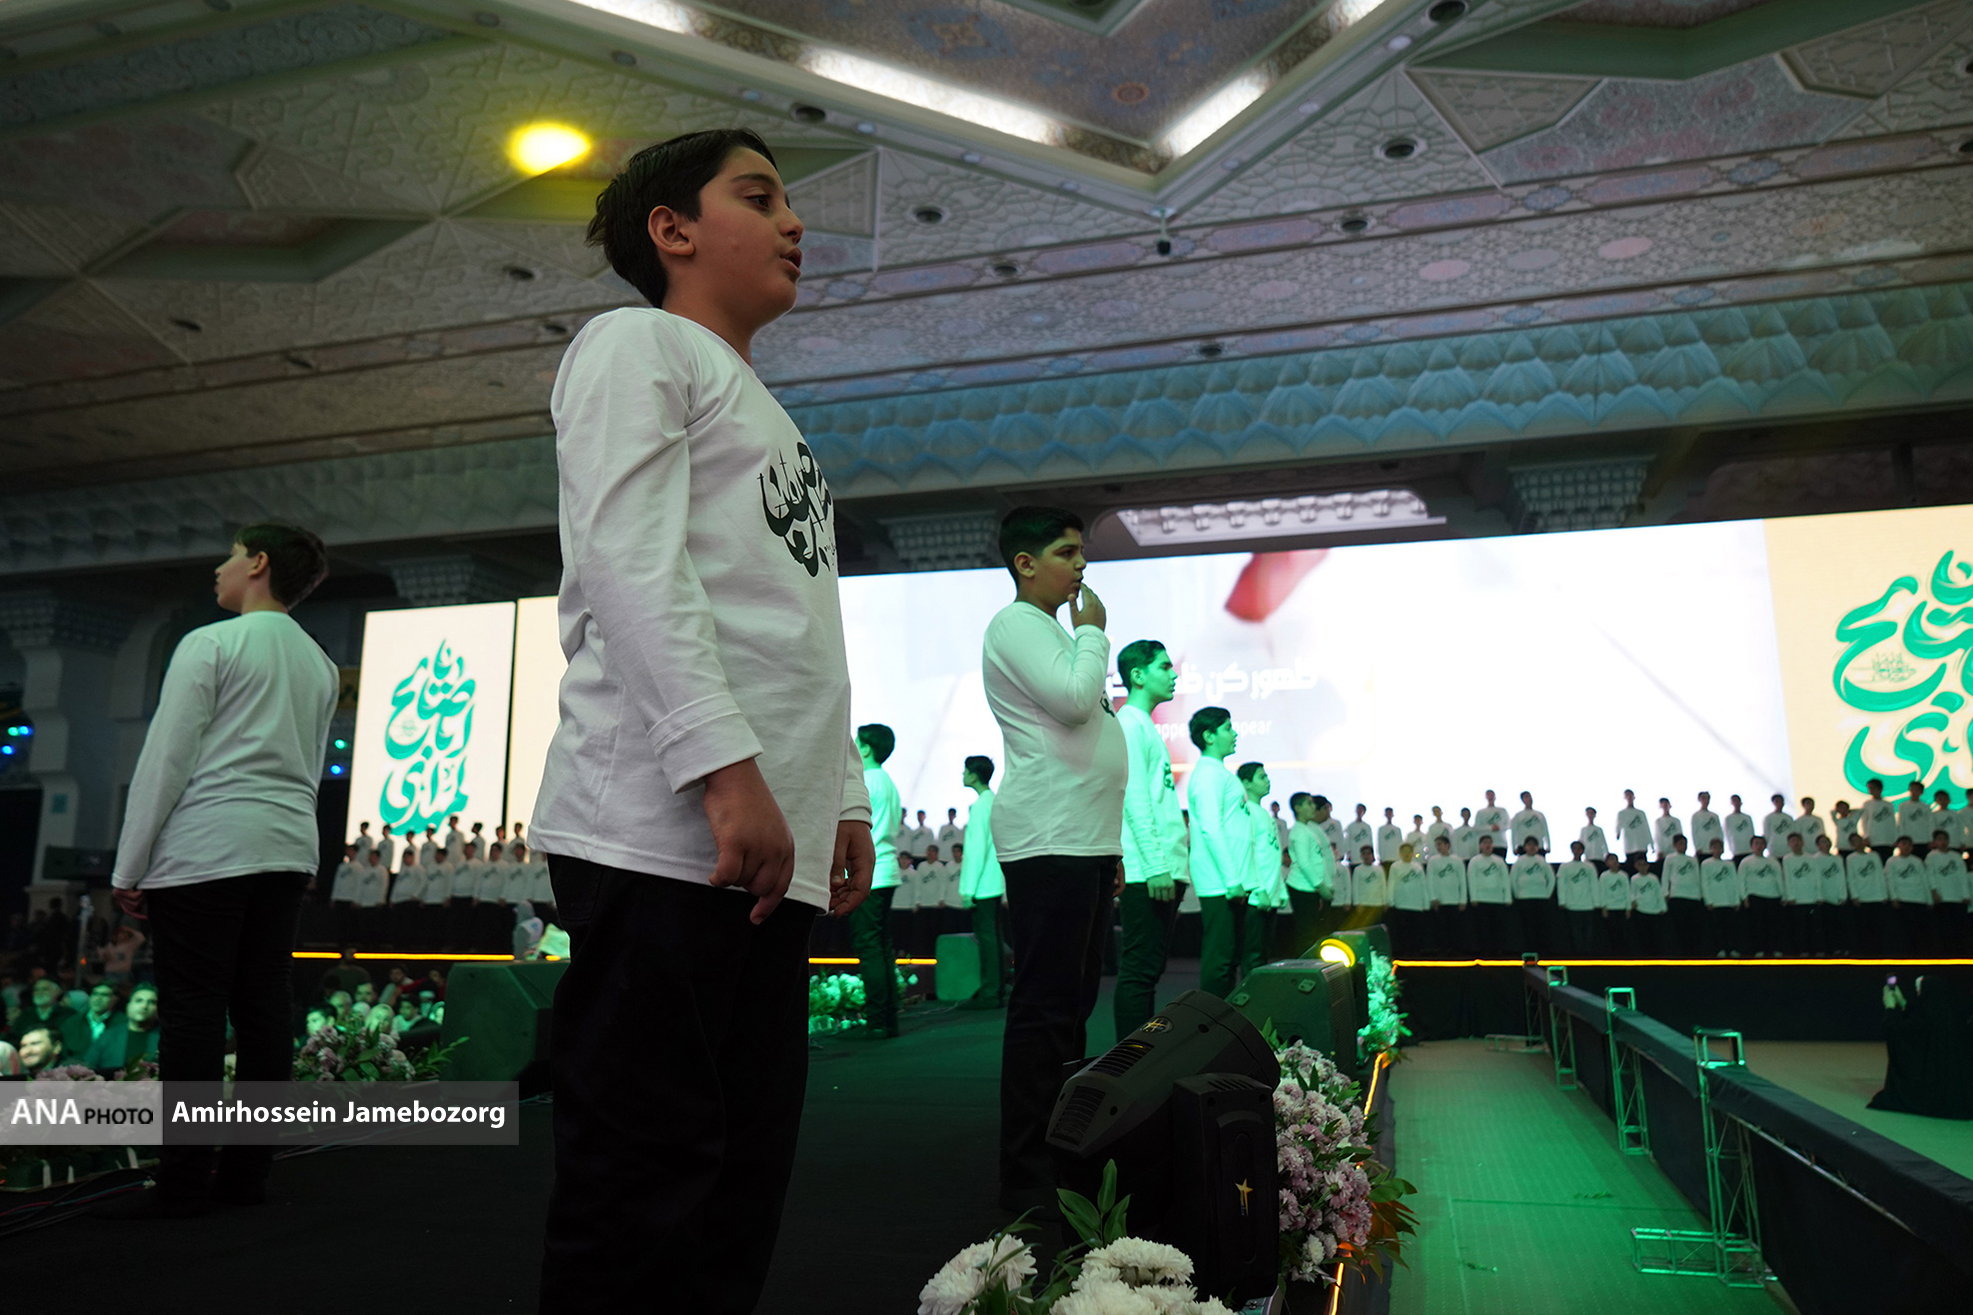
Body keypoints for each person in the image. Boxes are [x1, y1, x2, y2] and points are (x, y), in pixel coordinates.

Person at [528, 128, 875, 1315]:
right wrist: (725, 770)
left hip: (760, 847)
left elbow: (799, 629)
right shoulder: (634, 344)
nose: (793, 223)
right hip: (656, 832)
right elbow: (629, 564)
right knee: (643, 1184)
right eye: (758, 197)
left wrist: (840, 795)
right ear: (670, 229)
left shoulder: (770, 412)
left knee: (739, 1181)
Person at [105, 522, 339, 1217]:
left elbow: (166, 761)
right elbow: (310, 771)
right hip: (286, 847)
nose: (220, 568)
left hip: (207, 848)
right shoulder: (321, 663)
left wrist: (129, 866)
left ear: (258, 563)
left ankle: (181, 1184)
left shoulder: (210, 642)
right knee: (265, 1010)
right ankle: (245, 1178)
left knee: (194, 1013)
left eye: (231, 556)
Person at [982, 504, 1127, 1217]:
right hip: (1048, 838)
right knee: (1046, 1007)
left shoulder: (1049, 631)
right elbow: (1074, 705)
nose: (1080, 566)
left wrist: (1111, 846)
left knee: (1072, 1005)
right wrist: (1094, 631)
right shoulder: (1016, 625)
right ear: (1025, 563)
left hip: (1081, 839)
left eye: (1081, 554)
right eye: (1067, 553)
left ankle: (1060, 1142)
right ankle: (1026, 1166)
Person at [1114, 640, 1187, 1037]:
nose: (1173, 674)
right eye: (1164, 666)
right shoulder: (1129, 724)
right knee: (1139, 971)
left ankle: (1140, 1058)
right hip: (1147, 871)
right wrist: (1157, 865)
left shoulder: (1143, 725)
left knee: (1149, 971)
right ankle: (1130, 1061)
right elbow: (1135, 799)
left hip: (1159, 867)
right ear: (1138, 675)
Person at [1186, 707, 1251, 1001]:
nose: (1234, 734)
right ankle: (1212, 1022)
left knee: (1229, 959)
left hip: (1229, 881)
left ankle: (1226, 1020)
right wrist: (1232, 879)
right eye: (1227, 728)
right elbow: (1211, 828)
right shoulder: (1208, 774)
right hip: (1220, 883)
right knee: (1220, 961)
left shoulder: (1219, 773)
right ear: (1209, 736)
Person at [850, 724, 904, 1034]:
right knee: (882, 946)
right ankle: (888, 1019)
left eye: (857, 742)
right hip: (887, 871)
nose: (854, 746)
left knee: (869, 947)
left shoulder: (866, 780)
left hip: (871, 872)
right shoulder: (887, 781)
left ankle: (877, 1020)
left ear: (867, 749)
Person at [956, 756, 1007, 1010]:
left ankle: (990, 992)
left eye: (965, 771)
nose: (963, 774)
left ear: (974, 775)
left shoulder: (980, 806)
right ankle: (996, 988)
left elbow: (976, 850)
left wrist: (968, 889)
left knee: (987, 938)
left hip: (983, 884)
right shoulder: (994, 801)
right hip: (993, 881)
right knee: (993, 937)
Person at [1239, 763, 1283, 973]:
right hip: (1257, 896)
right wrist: (1258, 889)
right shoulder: (1246, 811)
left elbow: (1272, 853)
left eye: (1266, 776)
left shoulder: (1263, 813)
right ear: (1246, 783)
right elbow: (1248, 854)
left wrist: (1280, 890)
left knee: (1264, 953)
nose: (1267, 781)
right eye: (1261, 777)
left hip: (1270, 893)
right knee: (1253, 953)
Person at [1286, 794, 1338, 959]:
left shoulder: (1308, 829)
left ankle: (1311, 964)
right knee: (1306, 933)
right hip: (1302, 887)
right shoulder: (1299, 832)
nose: (1313, 807)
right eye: (1308, 804)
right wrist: (1320, 886)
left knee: (1312, 932)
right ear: (1298, 808)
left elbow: (1318, 859)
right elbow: (1304, 863)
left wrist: (1325, 884)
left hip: (1310, 888)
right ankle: (1304, 967)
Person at [79, 984, 160, 1075]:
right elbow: (88, 1066)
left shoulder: (162, 1038)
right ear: (128, 1005)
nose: (144, 1006)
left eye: (152, 1002)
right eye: (139, 1000)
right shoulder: (108, 1036)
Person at [1466, 835, 1513, 958]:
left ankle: (1498, 950)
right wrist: (1473, 897)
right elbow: (1472, 880)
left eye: (1490, 843)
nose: (1488, 845)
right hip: (1482, 899)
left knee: (1498, 927)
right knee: (1483, 928)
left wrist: (1507, 898)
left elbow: (1505, 880)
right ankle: (1485, 950)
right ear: (1480, 846)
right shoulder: (1474, 861)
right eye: (1485, 843)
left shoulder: (1499, 861)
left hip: (1498, 899)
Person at [1423, 833, 1467, 959]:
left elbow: (1462, 881)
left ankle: (1455, 950)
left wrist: (1463, 900)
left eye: (1440, 844)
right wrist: (1433, 898)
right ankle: (1443, 950)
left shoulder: (1457, 860)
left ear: (1447, 845)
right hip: (1440, 901)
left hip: (1454, 900)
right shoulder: (1433, 861)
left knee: (1455, 927)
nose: (1438, 847)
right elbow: (1429, 880)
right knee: (1440, 927)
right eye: (1436, 845)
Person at [1739, 836, 1784, 956]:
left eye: (1762, 844)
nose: (1759, 846)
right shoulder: (1746, 861)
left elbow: (1779, 879)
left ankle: (1773, 949)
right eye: (1756, 843)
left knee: (1773, 925)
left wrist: (1782, 895)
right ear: (1752, 846)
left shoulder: (1773, 861)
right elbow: (1741, 880)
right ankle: (1759, 949)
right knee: (1758, 925)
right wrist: (1744, 897)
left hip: (1773, 896)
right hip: (1756, 896)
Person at [1846, 833, 1890, 956]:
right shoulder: (1851, 858)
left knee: (1878, 927)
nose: (1859, 843)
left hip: (1877, 896)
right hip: (1862, 897)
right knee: (1863, 927)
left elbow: (1880, 875)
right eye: (1855, 841)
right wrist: (1854, 895)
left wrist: (1884, 894)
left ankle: (1879, 952)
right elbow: (1851, 878)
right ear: (1852, 845)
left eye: (1860, 840)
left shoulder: (1874, 855)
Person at [1511, 836, 1556, 955]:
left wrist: (1547, 894)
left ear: (1537, 847)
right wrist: (1517, 894)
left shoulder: (1542, 861)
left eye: (1534, 845)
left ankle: (1542, 951)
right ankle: (1529, 950)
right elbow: (1513, 879)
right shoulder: (1519, 862)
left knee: (1541, 926)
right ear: (1525, 847)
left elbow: (1551, 878)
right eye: (1529, 845)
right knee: (1527, 927)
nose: (1531, 847)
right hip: (1524, 898)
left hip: (1541, 898)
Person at [1925, 830, 1969, 954]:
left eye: (1944, 839)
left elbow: (1962, 876)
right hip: (1942, 898)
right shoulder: (1931, 856)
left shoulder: (1956, 856)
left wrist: (1966, 894)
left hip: (1957, 897)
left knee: (1959, 929)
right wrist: (1934, 892)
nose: (1942, 842)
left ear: (1948, 841)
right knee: (1944, 929)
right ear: (1935, 842)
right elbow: (1930, 875)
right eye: (1939, 839)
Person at [1700, 839, 1745, 957]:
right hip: (1715, 901)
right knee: (1717, 928)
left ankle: (1731, 948)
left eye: (1720, 847)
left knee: (1730, 927)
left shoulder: (1729, 864)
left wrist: (1736, 900)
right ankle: (1720, 949)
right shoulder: (1706, 864)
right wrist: (1708, 900)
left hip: (1729, 901)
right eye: (1715, 847)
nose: (1717, 850)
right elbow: (1704, 883)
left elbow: (1735, 882)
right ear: (1710, 849)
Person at [1780, 832, 1820, 956]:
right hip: (1796, 899)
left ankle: (1815, 950)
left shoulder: (1811, 858)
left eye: (1798, 840)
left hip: (1811, 898)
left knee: (1813, 927)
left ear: (1802, 842)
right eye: (1792, 841)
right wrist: (1790, 896)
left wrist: (1819, 895)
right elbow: (1787, 878)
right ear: (1788, 844)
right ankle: (1802, 950)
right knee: (1799, 927)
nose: (1796, 843)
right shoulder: (1787, 859)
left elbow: (1817, 877)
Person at [1662, 835, 1703, 956]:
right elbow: (1665, 876)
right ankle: (1681, 952)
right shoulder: (1670, 858)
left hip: (1693, 896)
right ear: (1675, 845)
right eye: (1680, 843)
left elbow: (1697, 876)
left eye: (1685, 844)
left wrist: (1700, 893)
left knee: (1693, 927)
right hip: (1677, 895)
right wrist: (1665, 892)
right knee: (1680, 926)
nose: (1683, 846)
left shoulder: (1692, 859)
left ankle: (1693, 952)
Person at [1386, 842, 1429, 956]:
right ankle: (1403, 952)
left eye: (1408, 852)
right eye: (1404, 852)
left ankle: (1415, 952)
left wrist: (1426, 903)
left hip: (1416, 905)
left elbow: (1423, 885)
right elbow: (1391, 883)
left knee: (1415, 931)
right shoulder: (1395, 867)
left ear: (1412, 853)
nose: (1406, 854)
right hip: (1401, 904)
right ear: (1400, 853)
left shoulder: (1418, 867)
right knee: (1403, 931)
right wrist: (1390, 900)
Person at [1810, 834, 1850, 957]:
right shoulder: (1815, 859)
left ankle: (1838, 948)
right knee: (1824, 926)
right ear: (1818, 845)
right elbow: (1816, 879)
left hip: (1837, 897)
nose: (1826, 844)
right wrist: (1819, 895)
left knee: (1838, 925)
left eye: (1827, 841)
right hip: (1823, 897)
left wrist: (1843, 894)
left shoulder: (1837, 859)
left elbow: (1841, 877)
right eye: (1822, 842)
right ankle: (1825, 949)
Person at [1554, 843, 1597, 956]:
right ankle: (1577, 954)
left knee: (1588, 931)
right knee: (1574, 931)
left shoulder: (1589, 866)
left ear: (1582, 851)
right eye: (1575, 849)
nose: (1577, 851)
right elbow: (1561, 885)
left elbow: (1594, 885)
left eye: (1579, 849)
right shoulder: (1564, 867)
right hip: (1572, 904)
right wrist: (1562, 901)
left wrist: (1597, 902)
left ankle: (1587, 954)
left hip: (1588, 904)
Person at [7, 976, 75, 1047]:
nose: (39, 992)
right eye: (36, 990)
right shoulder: (25, 1014)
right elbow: (13, 1037)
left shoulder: (68, 1015)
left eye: (45, 989)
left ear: (57, 992)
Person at [1860, 779, 1897, 859]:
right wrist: (1865, 836)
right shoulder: (1867, 804)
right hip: (1874, 839)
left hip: (1888, 839)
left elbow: (1892, 822)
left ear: (1880, 789)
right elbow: (1864, 822)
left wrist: (1895, 838)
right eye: (1869, 788)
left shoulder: (1889, 805)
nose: (1870, 791)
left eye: (1872, 788)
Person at [1614, 790, 1651, 866]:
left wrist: (1650, 843)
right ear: (1625, 798)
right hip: (1629, 846)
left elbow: (1646, 829)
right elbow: (1618, 826)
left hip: (1641, 845)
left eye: (1630, 795)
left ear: (1634, 797)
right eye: (1627, 795)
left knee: (1642, 865)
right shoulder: (1622, 813)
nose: (1629, 797)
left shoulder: (1640, 813)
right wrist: (1617, 833)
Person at [1510, 791, 1549, 857]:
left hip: (1538, 846)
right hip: (1523, 846)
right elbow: (1514, 832)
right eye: (1526, 797)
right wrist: (1514, 848)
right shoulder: (1518, 816)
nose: (1529, 799)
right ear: (1523, 800)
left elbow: (1545, 830)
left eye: (1530, 797)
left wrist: (1548, 846)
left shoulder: (1539, 815)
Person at [1651, 799, 1683, 871]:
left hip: (1675, 850)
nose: (1665, 807)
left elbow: (1680, 836)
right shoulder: (1658, 821)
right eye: (1663, 805)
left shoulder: (1676, 821)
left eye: (1666, 804)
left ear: (1670, 806)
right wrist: (1659, 850)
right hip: (1664, 852)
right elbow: (1657, 837)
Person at [1474, 790, 1508, 856]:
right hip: (1485, 845)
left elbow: (1508, 824)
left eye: (1492, 795)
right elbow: (1477, 828)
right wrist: (1490, 828)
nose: (1490, 797)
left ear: (1495, 797)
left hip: (1500, 844)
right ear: (1486, 797)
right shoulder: (1481, 812)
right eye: (1488, 795)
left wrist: (1499, 827)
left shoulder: (1502, 811)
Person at [1690, 793, 1723, 860]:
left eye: (1707, 798)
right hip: (1702, 850)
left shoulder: (1715, 816)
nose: (1706, 800)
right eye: (1704, 798)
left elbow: (1719, 832)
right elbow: (1694, 833)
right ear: (1700, 799)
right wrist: (1697, 847)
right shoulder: (1696, 816)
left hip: (1715, 850)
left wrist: (1721, 846)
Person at [1343, 805, 1373, 869]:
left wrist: (1371, 854)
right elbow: (1346, 841)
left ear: (1364, 812)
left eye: (1361, 810)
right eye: (1358, 809)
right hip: (1354, 858)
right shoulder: (1350, 826)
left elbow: (1370, 841)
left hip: (1365, 859)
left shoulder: (1367, 827)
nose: (1359, 811)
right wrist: (1348, 853)